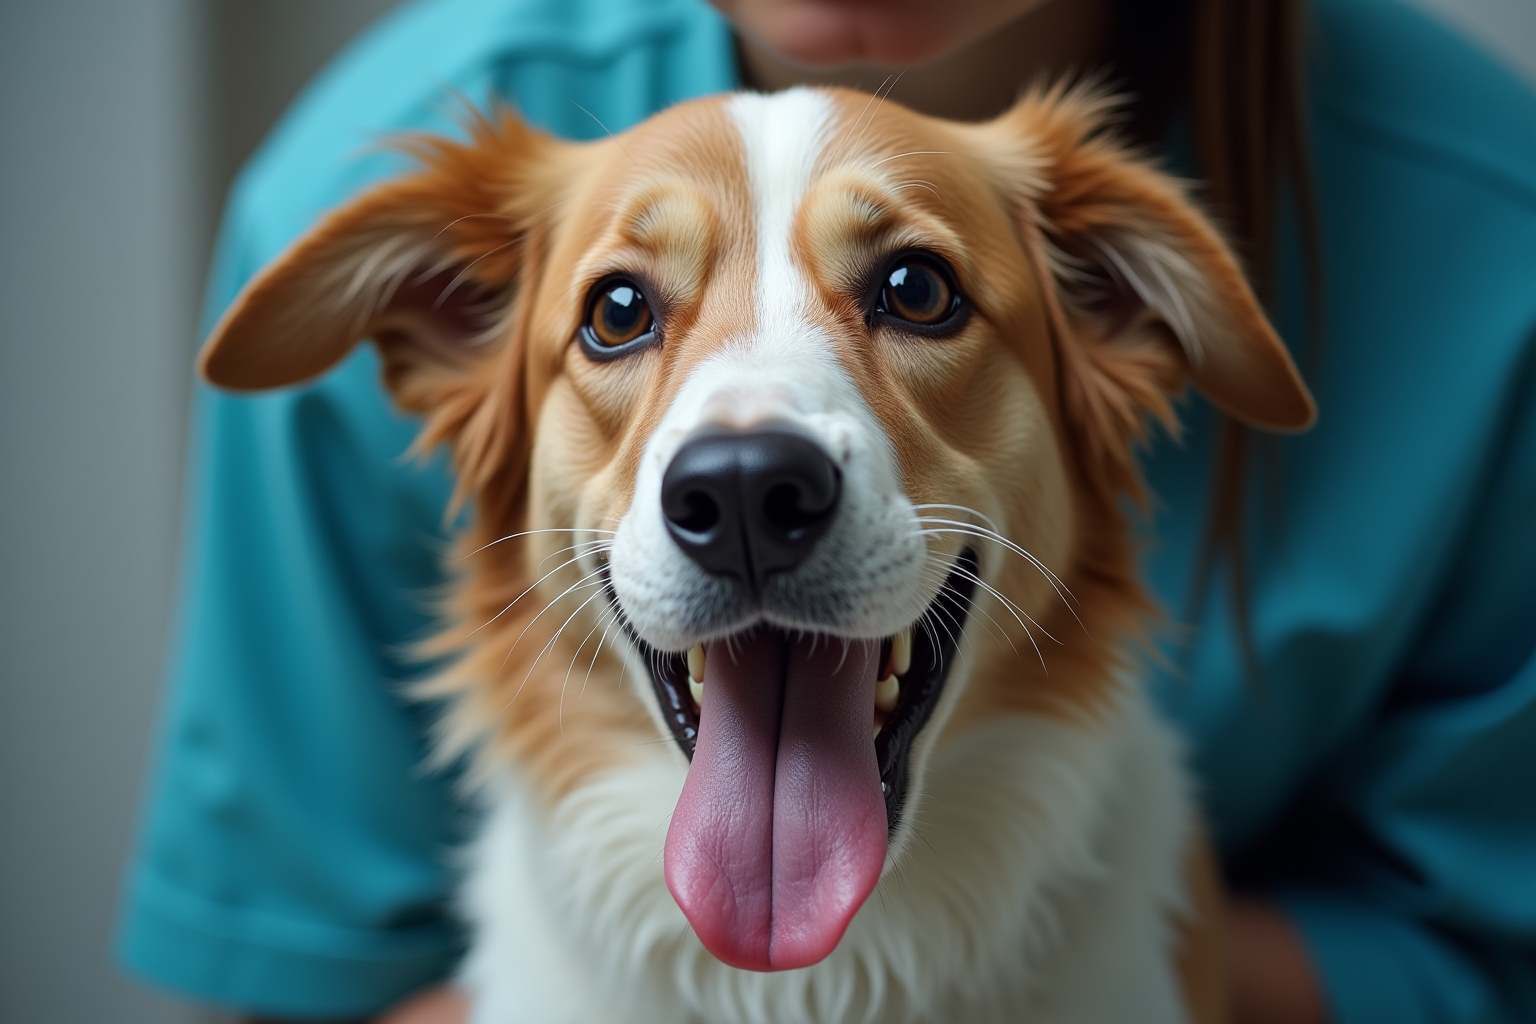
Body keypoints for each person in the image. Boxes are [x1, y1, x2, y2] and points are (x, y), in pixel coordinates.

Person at [117, 1, 1536, 1022]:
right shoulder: (383, 148)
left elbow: (1480, 955)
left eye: (914, 291)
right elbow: (294, 980)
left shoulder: (1488, 218)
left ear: (1118, 321)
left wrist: (1167, 959)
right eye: (623, 315)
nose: (744, 463)